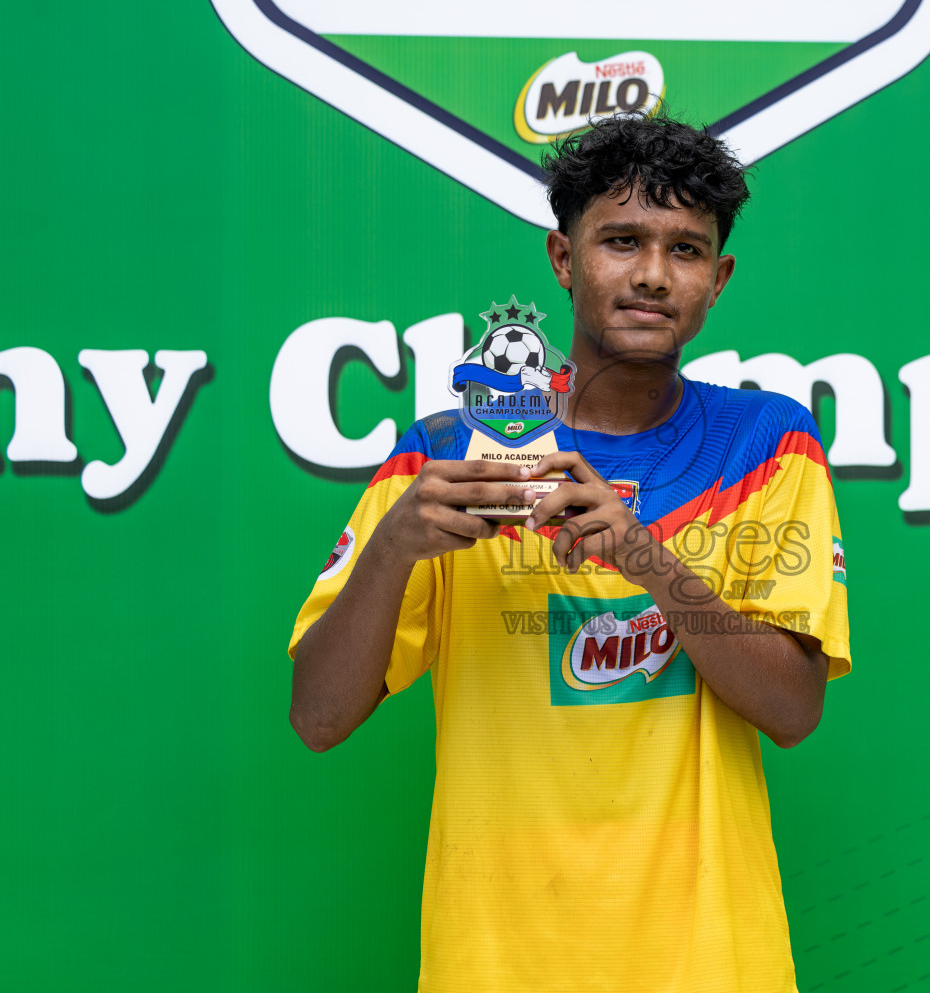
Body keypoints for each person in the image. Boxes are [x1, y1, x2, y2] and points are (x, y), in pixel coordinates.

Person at [286, 114, 851, 992]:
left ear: (719, 279)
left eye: (686, 250)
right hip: (496, 965)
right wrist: (396, 544)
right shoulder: (451, 451)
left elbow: (793, 708)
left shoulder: (770, 445)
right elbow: (318, 718)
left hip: (710, 964)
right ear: (562, 258)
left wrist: (647, 558)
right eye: (621, 241)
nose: (653, 276)